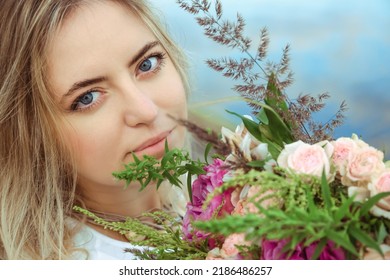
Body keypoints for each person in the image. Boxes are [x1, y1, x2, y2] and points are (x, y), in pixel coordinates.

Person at [0, 0, 191, 259]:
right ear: (32, 135)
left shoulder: (208, 204)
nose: (146, 111)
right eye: (87, 97)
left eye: (147, 64)